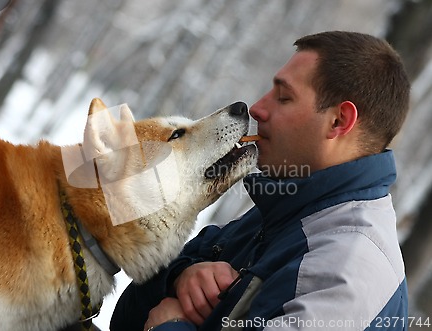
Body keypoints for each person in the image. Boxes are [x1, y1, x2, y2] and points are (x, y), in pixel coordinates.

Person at [110, 31, 411, 331]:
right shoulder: (283, 213)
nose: (256, 108)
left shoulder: (349, 271)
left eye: (284, 97)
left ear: (338, 121)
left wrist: (170, 326)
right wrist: (180, 277)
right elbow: (123, 318)